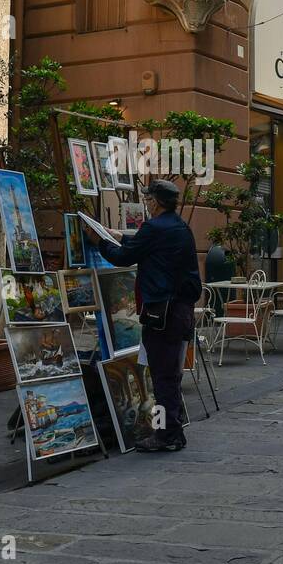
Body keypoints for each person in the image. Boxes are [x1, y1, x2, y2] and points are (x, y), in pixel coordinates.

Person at [84, 180, 201, 453]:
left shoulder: (155, 228)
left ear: (156, 202)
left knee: (162, 377)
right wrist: (120, 234)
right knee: (170, 374)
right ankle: (173, 428)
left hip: (163, 314)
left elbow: (124, 258)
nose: (147, 203)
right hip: (181, 312)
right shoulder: (180, 227)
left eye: (149, 199)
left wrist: (100, 242)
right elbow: (143, 244)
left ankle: (166, 435)